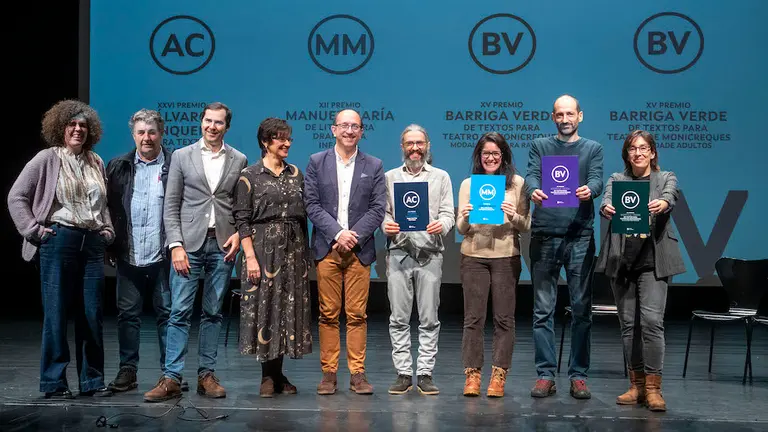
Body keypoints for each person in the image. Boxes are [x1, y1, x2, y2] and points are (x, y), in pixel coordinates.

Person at [8, 99, 115, 399]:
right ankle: (54, 382)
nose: (78, 129)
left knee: (92, 314)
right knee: (56, 314)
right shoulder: (47, 159)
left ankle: (92, 381)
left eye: (83, 125)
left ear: (90, 130)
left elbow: (102, 203)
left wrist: (107, 229)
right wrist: (33, 230)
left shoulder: (97, 161)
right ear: (61, 128)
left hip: (92, 243)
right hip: (59, 241)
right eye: (72, 125)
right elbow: (16, 197)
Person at [144, 102, 247, 402]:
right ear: (201, 122)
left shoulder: (238, 158)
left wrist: (239, 235)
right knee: (179, 312)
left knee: (213, 312)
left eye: (218, 123)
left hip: (223, 244)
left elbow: (242, 206)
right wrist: (175, 245)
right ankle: (171, 377)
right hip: (188, 245)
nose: (212, 127)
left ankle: (206, 375)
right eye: (207, 121)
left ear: (226, 126)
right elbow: (171, 204)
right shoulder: (181, 156)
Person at [595, 129, 685, 412]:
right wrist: (607, 207)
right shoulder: (617, 180)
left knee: (651, 323)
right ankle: (636, 385)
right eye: (633, 148)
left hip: (653, 262)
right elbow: (606, 200)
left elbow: (671, 196)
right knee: (628, 327)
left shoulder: (665, 177)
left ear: (653, 152)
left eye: (643, 148)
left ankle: (654, 388)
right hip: (622, 260)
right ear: (627, 154)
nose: (638, 153)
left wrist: (664, 203)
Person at [525, 94, 604, 399]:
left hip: (579, 236)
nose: (565, 119)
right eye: (559, 114)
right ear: (553, 117)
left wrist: (591, 189)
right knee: (542, 310)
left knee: (582, 309)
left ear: (579, 116)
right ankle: (545, 374)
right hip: (545, 234)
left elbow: (597, 178)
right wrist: (532, 189)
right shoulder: (540, 146)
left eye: (570, 113)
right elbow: (532, 174)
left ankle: (579, 375)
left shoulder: (592, 148)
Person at [304, 109, 386, 395]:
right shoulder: (316, 162)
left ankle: (357, 373)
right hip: (328, 248)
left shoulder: (374, 165)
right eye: (344, 126)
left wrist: (354, 236)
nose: (350, 131)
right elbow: (312, 204)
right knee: (327, 314)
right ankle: (329, 373)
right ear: (333, 129)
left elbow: (378, 208)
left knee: (357, 315)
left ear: (362, 131)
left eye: (355, 126)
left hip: (359, 251)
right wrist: (338, 233)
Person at [233, 118, 312, 398]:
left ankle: (278, 375)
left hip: (293, 252)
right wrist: (250, 257)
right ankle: (268, 376)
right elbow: (242, 220)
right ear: (266, 142)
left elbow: (303, 214)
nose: (287, 143)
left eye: (289, 138)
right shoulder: (250, 175)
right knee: (265, 310)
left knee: (286, 312)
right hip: (263, 251)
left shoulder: (296, 174)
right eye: (281, 138)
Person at [105, 109, 177, 393]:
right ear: (133, 135)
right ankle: (128, 370)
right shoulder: (118, 166)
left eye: (152, 132)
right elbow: (109, 208)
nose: (146, 138)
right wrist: (112, 243)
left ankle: (170, 374)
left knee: (167, 315)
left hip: (164, 256)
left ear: (161, 133)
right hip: (129, 254)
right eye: (141, 133)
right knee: (127, 316)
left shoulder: (175, 164)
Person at [456, 132, 531, 397]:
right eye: (486, 153)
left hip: (505, 255)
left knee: (504, 319)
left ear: (504, 156)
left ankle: (499, 375)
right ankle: (472, 375)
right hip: (474, 255)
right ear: (479, 156)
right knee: (473, 319)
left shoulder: (518, 184)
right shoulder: (468, 184)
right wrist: (464, 217)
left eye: (495, 154)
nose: (490, 158)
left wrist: (513, 216)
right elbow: (461, 228)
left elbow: (527, 224)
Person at [382, 124, 454, 396]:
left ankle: (424, 372)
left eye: (420, 143)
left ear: (427, 146)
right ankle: (403, 372)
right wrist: (385, 225)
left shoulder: (441, 177)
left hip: (429, 255)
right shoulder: (389, 177)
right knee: (398, 318)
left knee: (429, 318)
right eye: (410, 143)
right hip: (399, 253)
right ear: (402, 146)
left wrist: (442, 224)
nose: (415, 148)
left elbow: (448, 213)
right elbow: (384, 213)